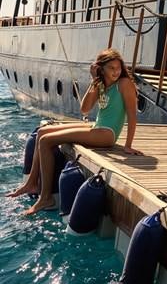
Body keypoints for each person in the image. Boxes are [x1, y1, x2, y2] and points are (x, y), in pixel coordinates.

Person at [8, 48, 142, 214]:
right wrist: (94, 80)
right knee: (43, 132)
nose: (116, 72)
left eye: (118, 68)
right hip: (97, 127)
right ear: (101, 69)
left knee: (45, 141)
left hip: (107, 134)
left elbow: (132, 114)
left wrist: (128, 146)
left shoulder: (124, 84)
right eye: (111, 68)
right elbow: (84, 109)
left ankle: (45, 198)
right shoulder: (101, 84)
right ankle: (31, 183)